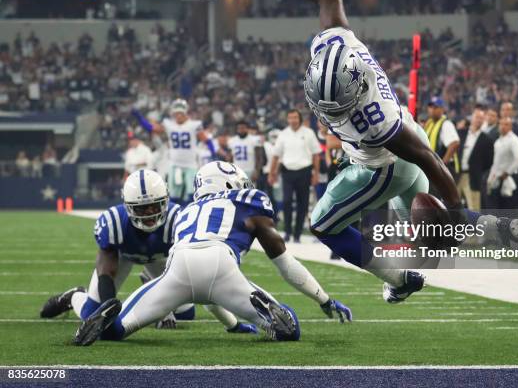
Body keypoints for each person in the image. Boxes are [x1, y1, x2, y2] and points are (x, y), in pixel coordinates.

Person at [255, 0, 518, 301]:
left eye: (337, 103)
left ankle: (400, 278)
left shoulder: (371, 119)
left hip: (386, 164)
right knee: (425, 224)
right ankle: (505, 233)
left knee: (323, 225)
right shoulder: (339, 48)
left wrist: (454, 206)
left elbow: (428, 158)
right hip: (402, 143)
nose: (329, 108)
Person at [72, 162, 351, 346]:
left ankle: (102, 314)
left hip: (178, 266)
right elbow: (284, 263)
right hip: (221, 264)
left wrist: (231, 325)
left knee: (115, 331)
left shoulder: (187, 213)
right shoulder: (248, 202)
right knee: (289, 331)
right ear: (230, 185)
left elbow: (202, 288)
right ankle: (267, 312)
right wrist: (324, 299)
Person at [40, 170, 252, 334]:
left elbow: (204, 280)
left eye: (155, 205)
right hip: (124, 256)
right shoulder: (114, 222)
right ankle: (73, 297)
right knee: (91, 314)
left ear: (166, 201)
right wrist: (107, 308)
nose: (150, 213)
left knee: (186, 314)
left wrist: (166, 310)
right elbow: (106, 270)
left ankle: (149, 279)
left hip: (164, 259)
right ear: (128, 206)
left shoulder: (178, 219)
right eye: (142, 208)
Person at [132, 99, 215, 205]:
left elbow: (206, 140)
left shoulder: (194, 125)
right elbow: (151, 128)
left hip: (190, 164)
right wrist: (139, 117)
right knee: (173, 194)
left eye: (181, 113)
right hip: (175, 164)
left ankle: (190, 215)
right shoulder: (169, 125)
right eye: (176, 113)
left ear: (185, 113)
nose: (178, 116)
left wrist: (213, 154)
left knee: (192, 193)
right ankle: (175, 216)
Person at [268, 109, 321, 243]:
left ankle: (297, 234)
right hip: (287, 171)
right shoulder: (283, 134)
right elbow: (275, 155)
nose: (293, 120)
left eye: (295, 117)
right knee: (286, 201)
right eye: (290, 118)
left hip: (304, 171)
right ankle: (287, 231)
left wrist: (316, 174)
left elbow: (316, 155)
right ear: (287, 119)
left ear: (300, 119)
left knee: (302, 203)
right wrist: (272, 173)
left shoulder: (308, 133)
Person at [457, 108, 493, 211]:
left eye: (481, 118)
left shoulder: (487, 140)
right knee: (452, 206)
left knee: (474, 207)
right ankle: (453, 227)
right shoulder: (460, 133)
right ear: (472, 118)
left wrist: (477, 169)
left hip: (473, 176)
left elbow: (489, 162)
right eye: (477, 117)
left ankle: (475, 227)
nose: (479, 120)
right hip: (457, 174)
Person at [487, 118, 518, 210]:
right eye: (501, 124)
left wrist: (507, 172)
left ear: (510, 127)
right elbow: (496, 163)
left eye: (506, 124)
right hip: (497, 178)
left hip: (509, 178)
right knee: (497, 209)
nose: (503, 127)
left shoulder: (513, 140)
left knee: (509, 210)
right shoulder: (498, 141)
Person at [424, 96, 460, 181]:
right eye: (430, 106)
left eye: (435, 107)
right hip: (432, 169)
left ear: (442, 109)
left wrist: (442, 165)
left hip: (442, 171)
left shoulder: (446, 124)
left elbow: (454, 144)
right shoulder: (429, 124)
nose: (432, 109)